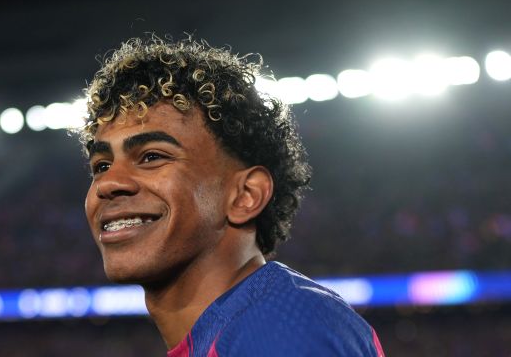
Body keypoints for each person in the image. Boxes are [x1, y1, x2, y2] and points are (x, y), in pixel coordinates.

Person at [78, 36, 385, 356]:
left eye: (152, 156)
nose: (107, 183)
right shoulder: (245, 327)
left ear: (245, 196)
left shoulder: (279, 334)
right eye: (101, 166)